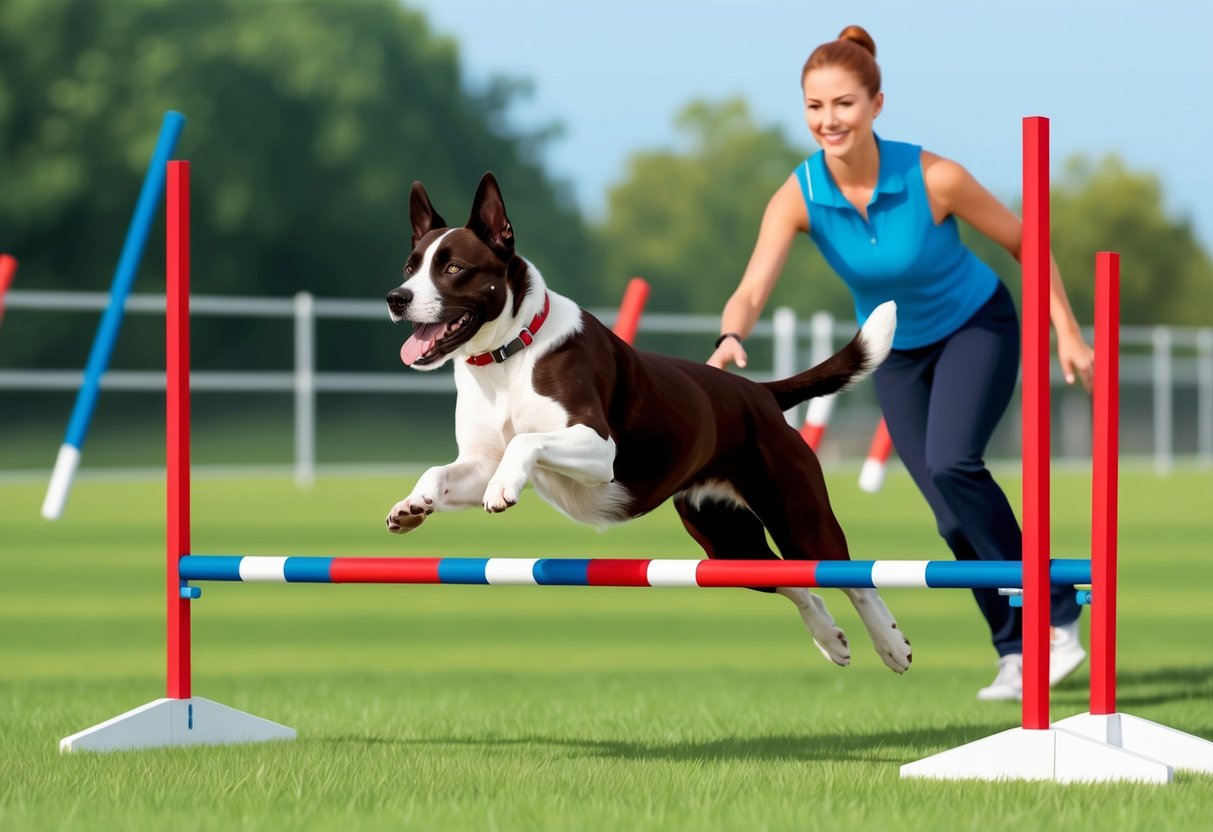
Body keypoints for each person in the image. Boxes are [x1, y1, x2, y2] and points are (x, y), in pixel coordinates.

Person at [707, 25, 1093, 700]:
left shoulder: (932, 176)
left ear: (876, 105)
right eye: (814, 106)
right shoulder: (800, 194)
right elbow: (749, 288)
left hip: (976, 327)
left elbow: (1023, 240)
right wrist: (731, 336)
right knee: (947, 512)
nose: (828, 120)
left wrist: (1064, 329)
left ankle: (1056, 616)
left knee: (952, 464)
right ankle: (1013, 649)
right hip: (896, 351)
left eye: (844, 104)